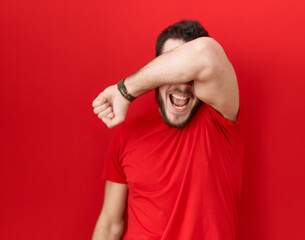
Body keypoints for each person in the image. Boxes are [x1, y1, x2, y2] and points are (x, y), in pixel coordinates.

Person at [92, 20, 243, 240]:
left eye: (188, 73)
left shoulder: (220, 121)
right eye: (171, 71)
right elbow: (110, 224)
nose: (182, 84)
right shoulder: (127, 134)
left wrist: (125, 91)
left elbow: (206, 54)